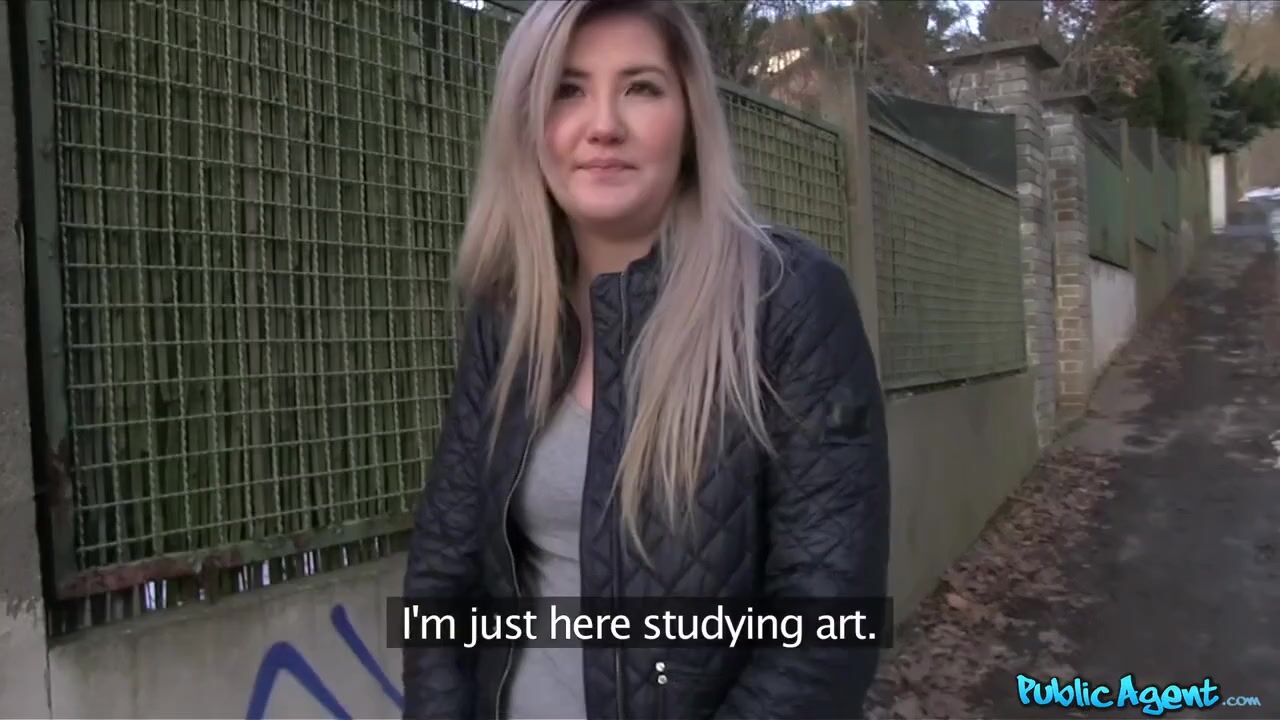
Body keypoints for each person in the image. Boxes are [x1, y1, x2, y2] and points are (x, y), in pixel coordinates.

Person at [402, 0, 890, 718]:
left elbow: (827, 626)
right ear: (527, 123)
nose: (604, 124)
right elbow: (442, 581)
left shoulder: (788, 302)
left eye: (641, 87)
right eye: (567, 89)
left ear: (690, 119)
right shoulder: (508, 314)